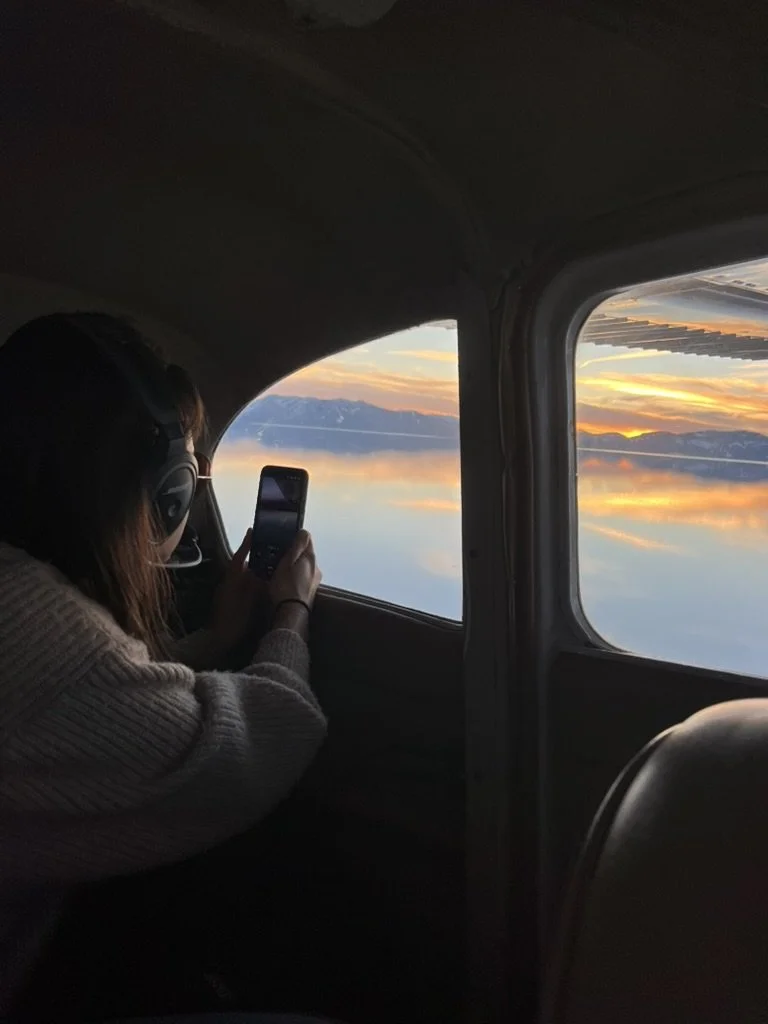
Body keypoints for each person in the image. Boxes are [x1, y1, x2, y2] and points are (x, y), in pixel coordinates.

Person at [0, 313, 328, 1016]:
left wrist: (211, 641)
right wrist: (290, 614)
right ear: (162, 492)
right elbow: (252, 750)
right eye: (188, 477)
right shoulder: (31, 619)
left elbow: (76, 707)